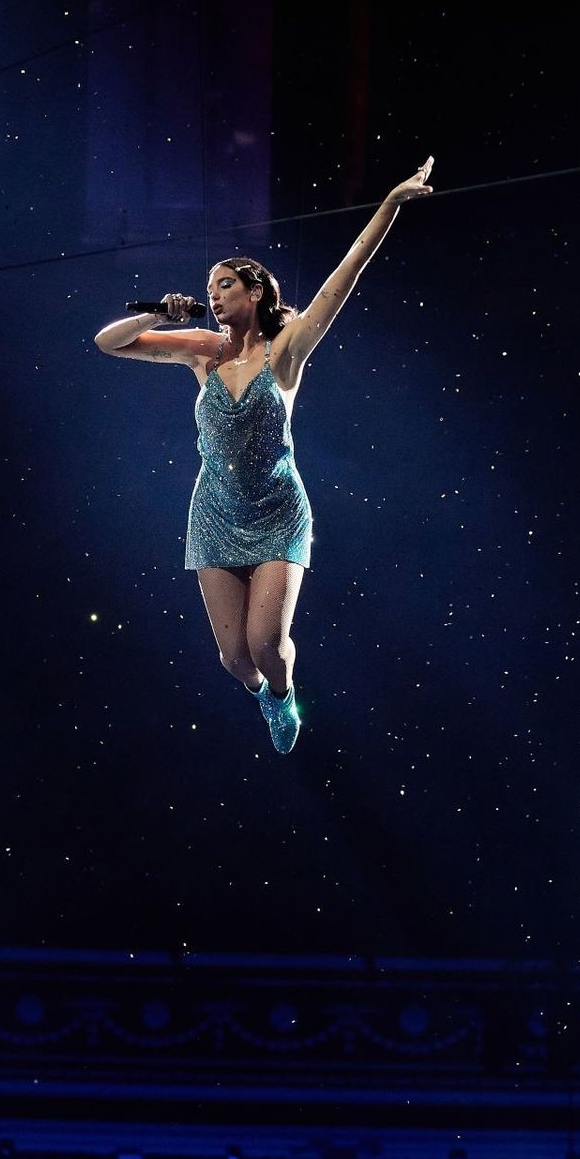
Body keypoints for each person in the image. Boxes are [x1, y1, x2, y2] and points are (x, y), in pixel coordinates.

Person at [93, 158, 435, 754]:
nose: (214, 295)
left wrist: (390, 204)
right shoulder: (202, 350)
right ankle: (262, 696)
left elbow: (344, 276)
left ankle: (283, 694)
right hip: (215, 511)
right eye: (209, 289)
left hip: (277, 511)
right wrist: (158, 315)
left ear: (256, 291)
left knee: (266, 648)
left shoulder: (288, 347)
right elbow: (108, 343)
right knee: (233, 659)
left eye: (225, 284)